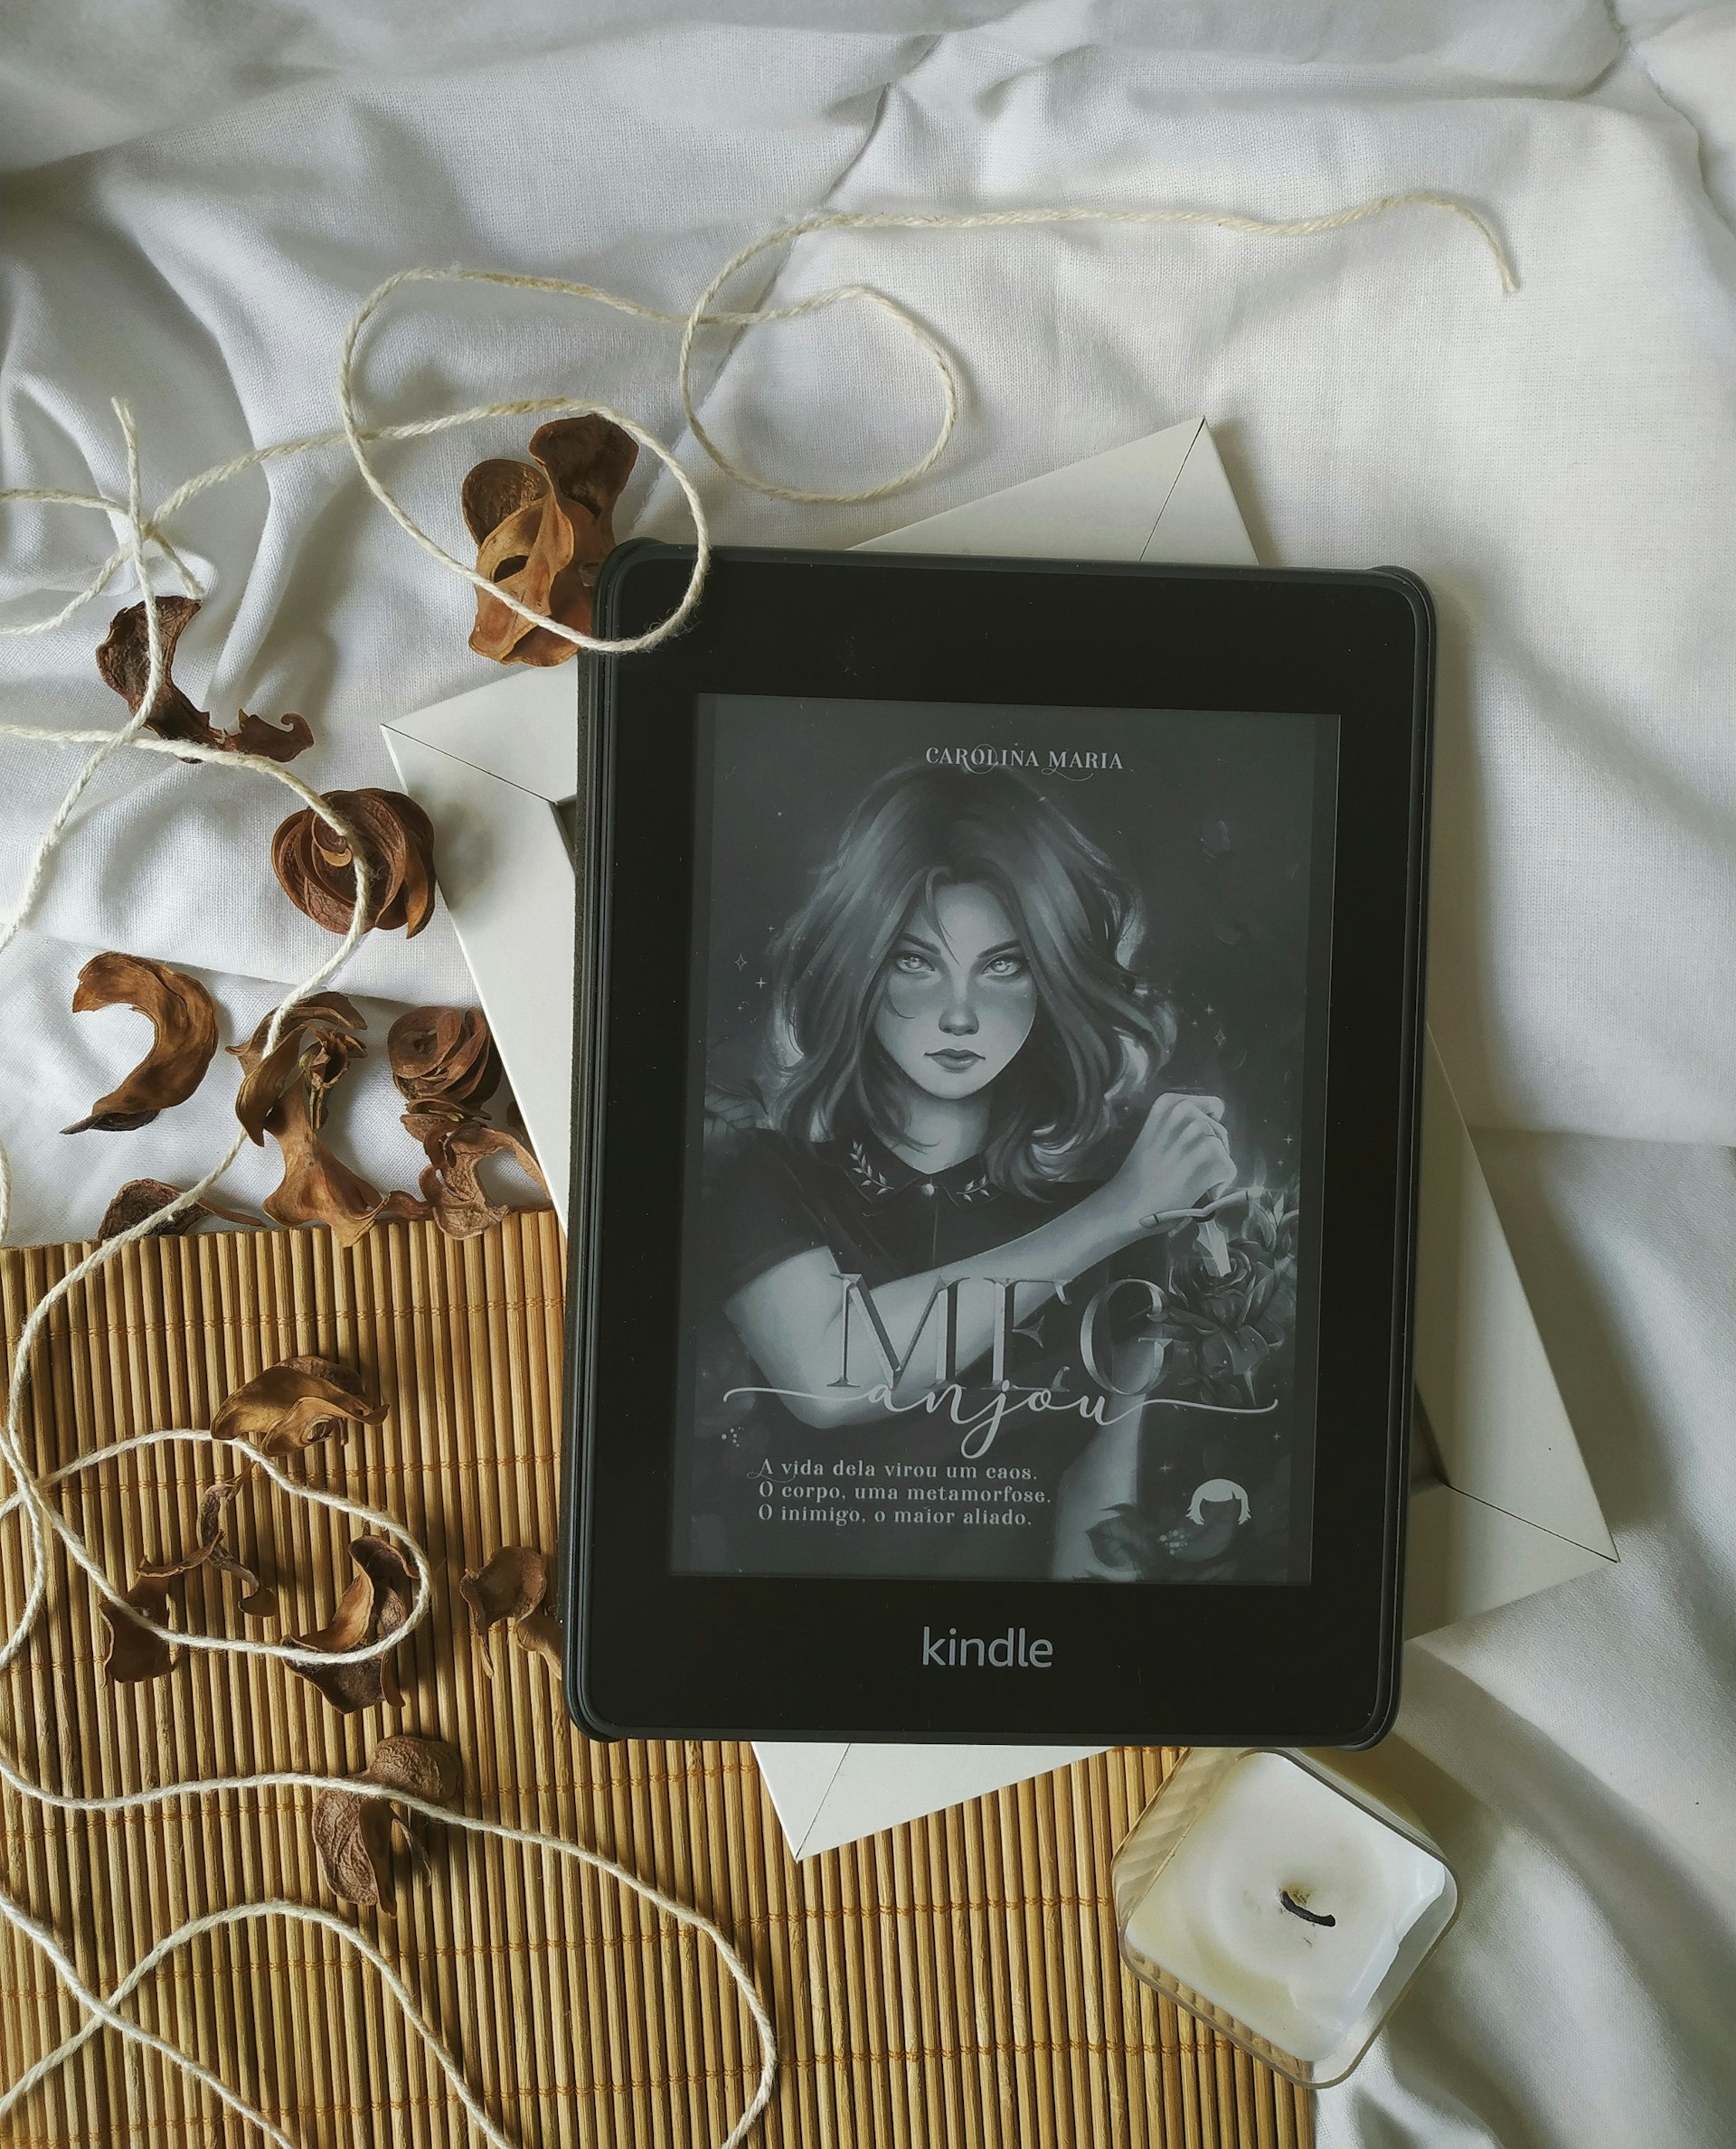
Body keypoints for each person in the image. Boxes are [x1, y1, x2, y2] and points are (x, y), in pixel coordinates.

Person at [688, 762, 1239, 1579]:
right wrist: (1119, 1211)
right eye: (916, 961)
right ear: (860, 967)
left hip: (1022, 1670)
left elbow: (1101, 1506)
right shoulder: (767, 1178)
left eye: (1004, 965)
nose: (958, 1012)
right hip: (799, 1661)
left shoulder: (1109, 1209)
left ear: (1054, 978)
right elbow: (830, 1377)